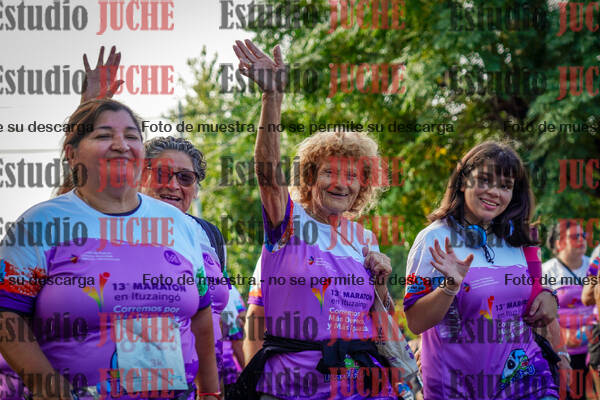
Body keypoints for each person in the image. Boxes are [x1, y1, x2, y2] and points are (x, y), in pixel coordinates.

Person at [0, 99, 220, 399]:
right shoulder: (41, 223)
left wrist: (210, 392)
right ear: (72, 154)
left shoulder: (179, 224)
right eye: (104, 135)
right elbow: (6, 313)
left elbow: (202, 314)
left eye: (131, 136)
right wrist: (46, 385)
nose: (121, 145)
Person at [231, 39, 397, 400]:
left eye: (352, 176)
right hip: (291, 387)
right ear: (309, 178)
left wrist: (382, 284)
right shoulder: (288, 221)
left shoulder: (365, 238)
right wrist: (272, 97)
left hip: (358, 387)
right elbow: (267, 173)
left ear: (363, 185)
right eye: (329, 173)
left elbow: (383, 320)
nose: (341, 183)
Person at [404, 141, 560, 399]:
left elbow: (534, 296)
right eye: (485, 180)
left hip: (527, 380)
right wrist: (450, 287)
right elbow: (416, 322)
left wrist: (549, 297)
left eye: (505, 186)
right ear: (462, 182)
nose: (494, 192)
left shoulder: (518, 239)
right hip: (458, 387)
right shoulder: (434, 238)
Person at [140, 136, 231, 394]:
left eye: (185, 178)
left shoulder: (209, 234)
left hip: (205, 384)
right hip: (143, 385)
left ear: (195, 187)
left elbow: (214, 317)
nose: (173, 185)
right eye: (162, 174)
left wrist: (211, 390)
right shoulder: (117, 230)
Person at [543, 221, 597, 399]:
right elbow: (542, 315)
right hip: (563, 353)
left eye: (583, 235)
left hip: (593, 349)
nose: (582, 240)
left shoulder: (594, 267)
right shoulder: (547, 271)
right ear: (559, 243)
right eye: (575, 237)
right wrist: (562, 340)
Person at [220, 286, 247, 398]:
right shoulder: (229, 290)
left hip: (227, 371)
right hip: (227, 369)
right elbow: (243, 316)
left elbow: (243, 315)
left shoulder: (230, 290)